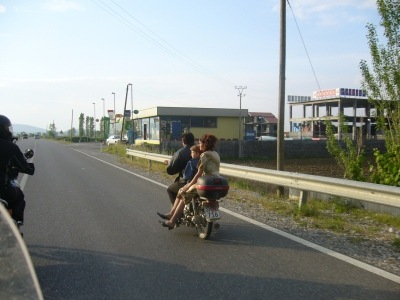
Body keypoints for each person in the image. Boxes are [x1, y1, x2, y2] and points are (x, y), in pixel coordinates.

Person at [158, 133, 220, 229]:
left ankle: (172, 221)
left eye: (200, 143)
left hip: (205, 182)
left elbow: (199, 174)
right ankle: (172, 214)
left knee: (183, 194)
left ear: (205, 144)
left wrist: (188, 185)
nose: (199, 146)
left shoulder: (204, 155)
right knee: (184, 191)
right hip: (215, 182)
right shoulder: (216, 154)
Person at [0, 115, 34, 226]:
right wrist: (29, 168)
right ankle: (15, 222)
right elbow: (24, 166)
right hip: (3, 192)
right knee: (19, 197)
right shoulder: (10, 147)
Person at [157, 144, 201, 220]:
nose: (191, 154)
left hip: (189, 182)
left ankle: (176, 213)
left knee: (175, 191)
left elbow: (187, 175)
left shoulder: (189, 160)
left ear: (197, 153)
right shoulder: (202, 160)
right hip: (200, 182)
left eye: (192, 153)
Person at [165, 132, 195, 205]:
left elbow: (171, 169)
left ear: (183, 141)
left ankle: (179, 214)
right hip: (201, 180)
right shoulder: (200, 150)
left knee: (171, 190)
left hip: (186, 180)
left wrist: (169, 164)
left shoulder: (181, 152)